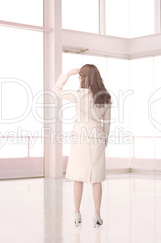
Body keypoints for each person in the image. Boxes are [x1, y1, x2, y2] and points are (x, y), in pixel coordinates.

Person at [52, 64, 111, 228]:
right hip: (97, 137)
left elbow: (56, 89)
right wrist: (104, 141)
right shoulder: (105, 97)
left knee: (78, 177)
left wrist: (68, 73)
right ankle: (97, 215)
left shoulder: (80, 94)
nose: (78, 78)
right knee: (96, 178)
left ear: (83, 78)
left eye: (79, 76)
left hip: (80, 137)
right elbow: (107, 123)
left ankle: (77, 214)